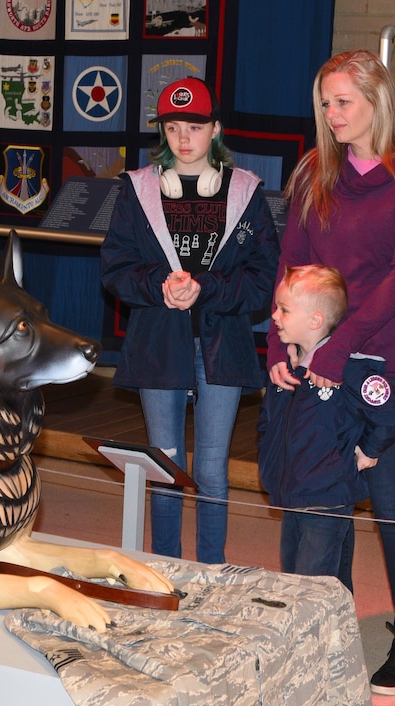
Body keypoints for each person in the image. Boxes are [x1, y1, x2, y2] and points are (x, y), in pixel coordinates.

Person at [266, 49, 395, 696]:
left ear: (377, 99)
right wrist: (278, 344)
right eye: (325, 103)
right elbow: (291, 265)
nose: (332, 114)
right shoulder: (316, 171)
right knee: (323, 494)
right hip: (319, 359)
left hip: (388, 360)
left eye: (343, 101)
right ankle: (328, 628)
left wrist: (339, 346)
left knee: (391, 499)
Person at [100, 76, 280, 564]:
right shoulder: (137, 189)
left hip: (222, 345)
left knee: (213, 470)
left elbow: (264, 276)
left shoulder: (245, 192)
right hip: (160, 343)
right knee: (166, 465)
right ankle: (166, 568)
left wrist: (209, 288)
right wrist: (159, 285)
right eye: (173, 127)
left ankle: (211, 570)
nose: (183, 138)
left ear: (215, 129)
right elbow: (116, 267)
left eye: (195, 127)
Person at [258, 264, 395, 592]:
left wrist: (369, 449)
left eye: (284, 309)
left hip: (326, 498)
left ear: (315, 320)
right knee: (298, 576)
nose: (275, 316)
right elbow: (268, 422)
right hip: (292, 493)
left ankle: (317, 627)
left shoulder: (347, 369)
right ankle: (337, 624)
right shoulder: (287, 370)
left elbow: (389, 405)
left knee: (311, 584)